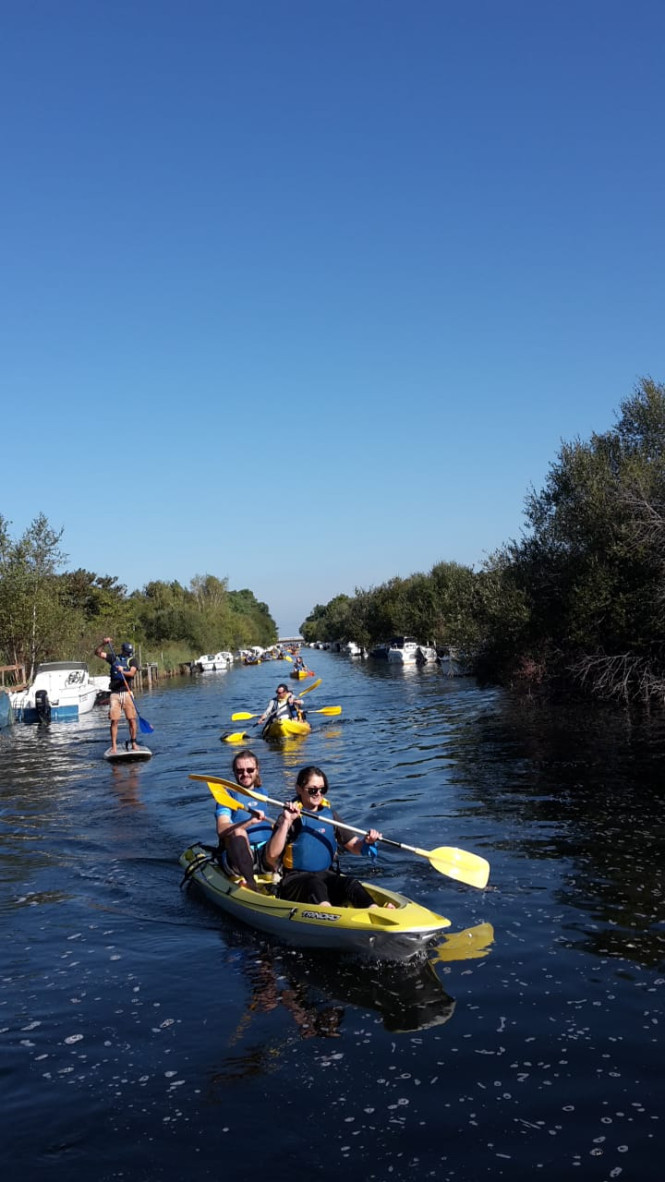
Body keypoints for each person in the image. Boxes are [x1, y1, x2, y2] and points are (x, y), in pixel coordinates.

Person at [265, 765, 389, 909]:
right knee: (314, 883)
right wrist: (287, 821)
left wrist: (367, 842)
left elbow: (354, 846)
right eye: (312, 790)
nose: (318, 794)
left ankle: (374, 910)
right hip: (295, 880)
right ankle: (327, 913)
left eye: (322, 789)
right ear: (299, 789)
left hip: (325, 876)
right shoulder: (289, 817)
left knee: (350, 883)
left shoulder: (330, 815)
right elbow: (271, 855)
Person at [214, 750, 274, 891]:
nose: (245, 774)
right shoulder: (227, 796)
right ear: (234, 772)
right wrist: (250, 822)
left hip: (265, 854)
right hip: (239, 857)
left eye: (250, 770)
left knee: (287, 825)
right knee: (238, 833)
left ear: (257, 770)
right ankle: (250, 882)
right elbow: (222, 829)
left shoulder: (263, 793)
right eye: (240, 771)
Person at [95, 636, 139, 754]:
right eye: (127, 652)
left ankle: (133, 742)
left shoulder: (133, 661)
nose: (129, 654)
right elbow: (98, 653)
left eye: (130, 652)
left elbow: (132, 672)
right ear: (123, 651)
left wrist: (122, 671)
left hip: (127, 693)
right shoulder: (114, 658)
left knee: (131, 719)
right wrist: (103, 643)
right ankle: (114, 746)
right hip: (115, 694)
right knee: (114, 721)